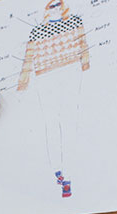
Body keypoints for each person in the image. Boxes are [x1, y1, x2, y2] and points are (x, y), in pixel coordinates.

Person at [17, 0, 90, 197]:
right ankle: (58, 169)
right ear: (46, 9)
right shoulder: (36, 31)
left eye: (58, 4)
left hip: (70, 72)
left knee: (69, 123)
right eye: (51, 5)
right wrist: (22, 83)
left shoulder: (75, 22)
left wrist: (85, 65)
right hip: (45, 78)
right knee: (51, 124)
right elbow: (28, 59)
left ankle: (68, 176)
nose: (56, 8)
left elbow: (83, 45)